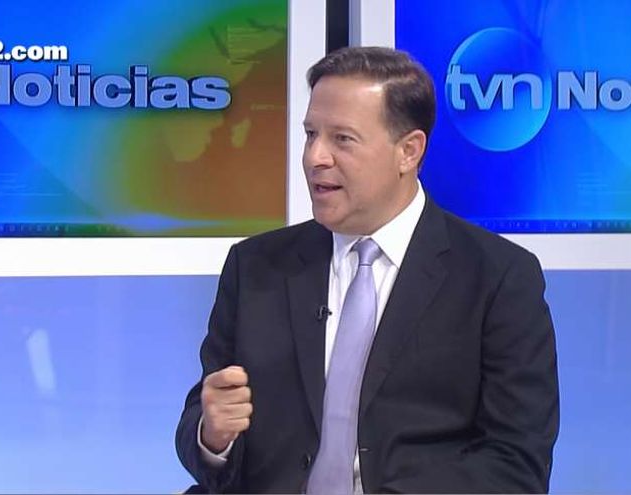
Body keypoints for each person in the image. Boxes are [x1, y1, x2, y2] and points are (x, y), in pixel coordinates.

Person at [176, 46, 559, 493]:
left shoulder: (496, 277)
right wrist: (212, 436)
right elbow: (203, 422)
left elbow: (515, 463)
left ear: (408, 152)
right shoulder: (256, 266)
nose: (315, 157)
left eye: (342, 139)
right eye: (311, 134)